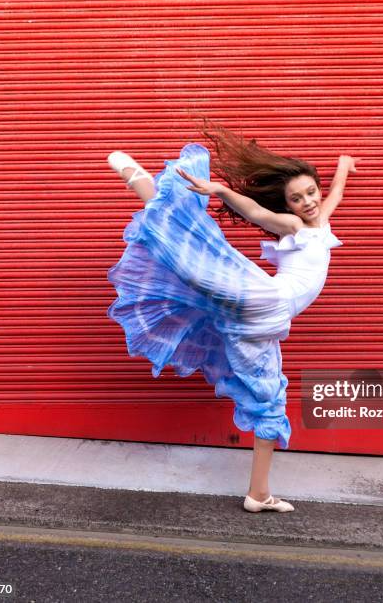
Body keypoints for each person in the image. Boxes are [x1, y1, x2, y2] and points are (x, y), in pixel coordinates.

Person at [106, 120, 359, 513]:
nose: (307, 202)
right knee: (191, 253)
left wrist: (344, 164)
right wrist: (221, 190)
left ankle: (258, 495)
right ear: (288, 206)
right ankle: (136, 177)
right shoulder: (292, 226)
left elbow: (336, 196)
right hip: (264, 297)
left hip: (264, 325)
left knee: (269, 401)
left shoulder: (321, 221)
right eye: (297, 198)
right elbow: (257, 211)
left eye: (311, 193)